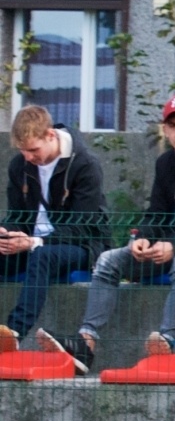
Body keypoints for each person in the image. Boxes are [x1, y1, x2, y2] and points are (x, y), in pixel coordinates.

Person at [36, 93, 175, 373]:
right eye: (173, 126)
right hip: (172, 246)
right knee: (108, 260)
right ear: (165, 130)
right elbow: (157, 213)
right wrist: (143, 238)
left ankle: (167, 339)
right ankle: (85, 343)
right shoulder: (166, 163)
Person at [0, 105, 107, 352]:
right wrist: (6, 232)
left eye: (33, 150)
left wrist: (34, 242)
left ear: (50, 135)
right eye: (22, 151)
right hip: (31, 244)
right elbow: (16, 216)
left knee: (43, 255)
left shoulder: (85, 165)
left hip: (82, 246)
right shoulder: (19, 165)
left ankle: (14, 333)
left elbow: (82, 227)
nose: (28, 157)